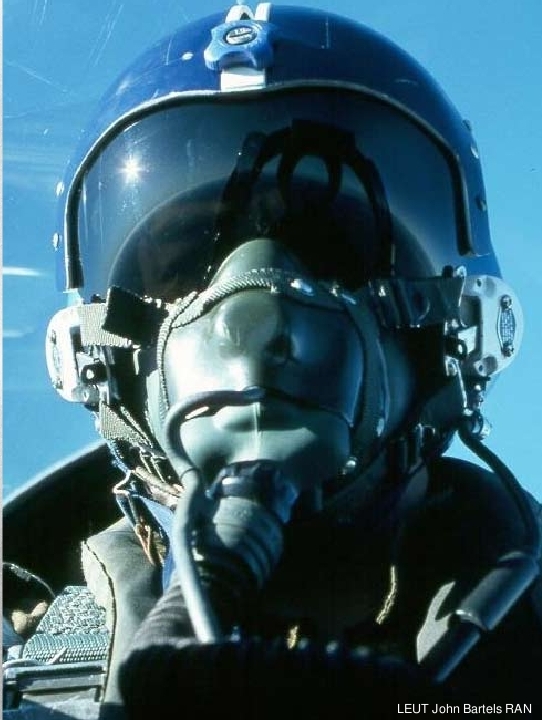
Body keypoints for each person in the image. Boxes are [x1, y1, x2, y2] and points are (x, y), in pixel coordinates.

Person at [42, 3, 541, 715]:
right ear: (94, 354)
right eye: (181, 271)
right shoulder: (27, 655)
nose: (254, 322)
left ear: (459, 333)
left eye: (336, 253)